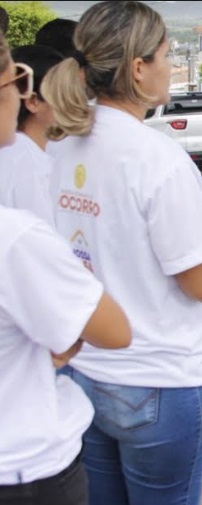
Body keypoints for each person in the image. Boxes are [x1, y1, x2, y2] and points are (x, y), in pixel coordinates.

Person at [41, 2, 202, 504]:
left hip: (85, 372)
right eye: (165, 54)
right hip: (157, 382)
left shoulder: (60, 144)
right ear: (138, 69)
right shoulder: (157, 158)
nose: (171, 65)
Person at [0, 29, 132, 505]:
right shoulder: (26, 183)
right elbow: (111, 329)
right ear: (27, 97)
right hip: (24, 463)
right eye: (16, 77)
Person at [0, 45, 64, 222]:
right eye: (62, 93)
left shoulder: (20, 153)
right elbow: (46, 237)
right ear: (33, 101)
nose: (73, 100)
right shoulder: (30, 166)